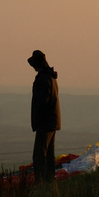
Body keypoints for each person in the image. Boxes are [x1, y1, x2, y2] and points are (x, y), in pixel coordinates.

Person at [28, 50, 61, 182]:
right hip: (52, 121)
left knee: (40, 155)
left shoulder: (43, 79)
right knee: (49, 154)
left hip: (45, 123)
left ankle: (41, 182)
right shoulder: (51, 77)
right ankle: (49, 181)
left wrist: (38, 120)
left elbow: (42, 102)